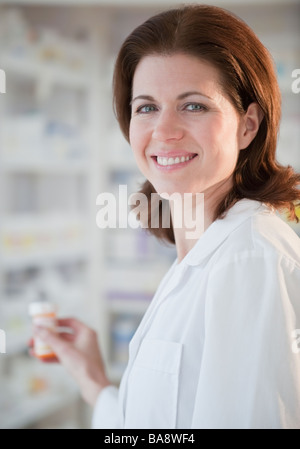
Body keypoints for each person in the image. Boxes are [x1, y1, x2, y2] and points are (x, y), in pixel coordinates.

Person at [32, 5, 300, 429]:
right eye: (146, 107)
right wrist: (95, 382)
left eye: (193, 106)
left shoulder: (249, 258)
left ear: (247, 125)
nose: (164, 131)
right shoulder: (199, 252)